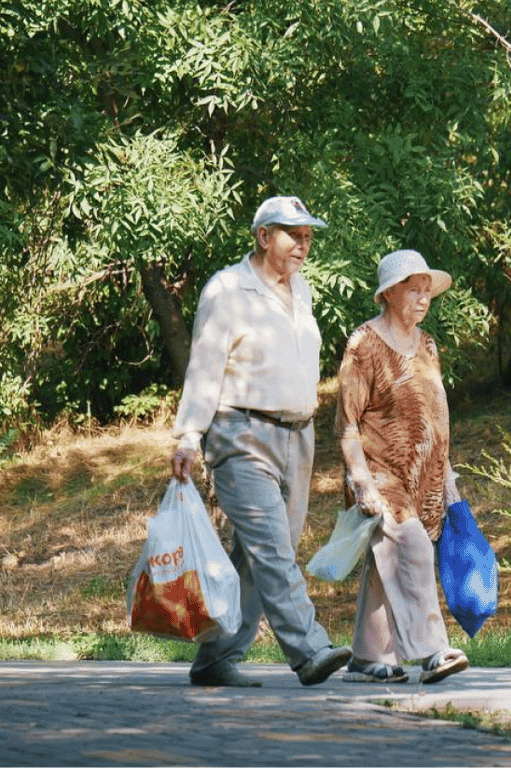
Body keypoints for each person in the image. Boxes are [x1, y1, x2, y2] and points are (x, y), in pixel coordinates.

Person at [169, 195, 352, 688]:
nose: (304, 244)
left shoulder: (303, 290)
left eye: (309, 236)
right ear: (264, 236)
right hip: (240, 432)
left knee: (260, 553)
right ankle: (309, 649)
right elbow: (204, 366)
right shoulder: (228, 289)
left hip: (298, 435)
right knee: (273, 550)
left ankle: (214, 659)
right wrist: (188, 435)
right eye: (295, 235)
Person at [333, 249, 469, 685]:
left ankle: (367, 657)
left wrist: (447, 478)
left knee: (385, 562)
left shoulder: (427, 345)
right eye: (414, 289)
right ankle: (432, 650)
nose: (423, 298)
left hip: (424, 476)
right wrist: (360, 481)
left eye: (427, 291)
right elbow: (346, 423)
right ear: (389, 293)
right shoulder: (364, 345)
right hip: (378, 472)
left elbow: (437, 413)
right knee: (412, 547)